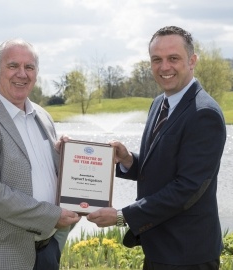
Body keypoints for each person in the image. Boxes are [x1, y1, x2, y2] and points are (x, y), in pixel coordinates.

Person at [87, 26, 227, 270]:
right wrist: (128, 159)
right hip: (159, 248)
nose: (164, 67)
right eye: (156, 60)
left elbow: (187, 188)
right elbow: (164, 168)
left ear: (192, 61)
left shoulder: (204, 113)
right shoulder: (159, 104)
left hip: (187, 255)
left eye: (173, 58)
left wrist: (123, 216)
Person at [0, 39, 81, 270]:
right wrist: (51, 216)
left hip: (45, 248)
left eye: (29, 67)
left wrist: (66, 157)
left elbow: (43, 173)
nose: (22, 74)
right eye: (13, 66)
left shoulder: (42, 115)